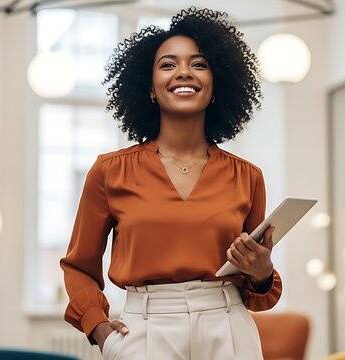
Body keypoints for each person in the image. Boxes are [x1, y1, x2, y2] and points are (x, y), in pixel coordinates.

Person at [60, 7, 282, 360]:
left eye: (199, 63)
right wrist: (99, 328)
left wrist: (262, 272)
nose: (183, 72)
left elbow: (256, 288)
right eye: (167, 64)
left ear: (216, 84)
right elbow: (78, 266)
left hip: (228, 327)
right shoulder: (110, 171)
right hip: (145, 330)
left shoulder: (247, 176)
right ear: (149, 87)